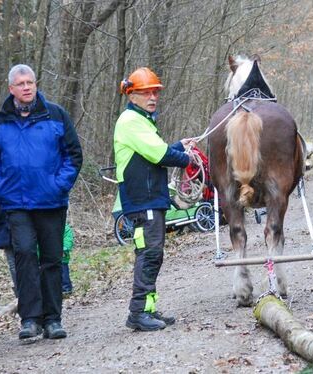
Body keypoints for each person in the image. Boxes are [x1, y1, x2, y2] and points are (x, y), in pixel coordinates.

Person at [0, 64, 83, 340]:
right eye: (21, 83)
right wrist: (1, 188)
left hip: (51, 202)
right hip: (15, 203)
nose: (27, 87)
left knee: (52, 259)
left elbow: (73, 155)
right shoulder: (0, 121)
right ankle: (30, 319)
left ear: (36, 84)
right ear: (11, 89)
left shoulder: (56, 114)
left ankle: (53, 319)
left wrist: (58, 185)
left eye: (31, 82)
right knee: (25, 255)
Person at [115, 67, 194, 331]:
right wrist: (185, 158)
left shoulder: (143, 121)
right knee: (149, 254)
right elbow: (158, 155)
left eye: (155, 92)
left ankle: (148, 309)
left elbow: (153, 153)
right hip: (142, 200)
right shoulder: (130, 121)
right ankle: (137, 313)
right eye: (145, 92)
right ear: (132, 95)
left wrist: (180, 147)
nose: (152, 97)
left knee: (153, 254)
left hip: (150, 199)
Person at [62, 224, 74, 294]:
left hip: (62, 256)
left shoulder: (65, 228)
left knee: (64, 273)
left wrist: (64, 248)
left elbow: (68, 239)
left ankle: (66, 288)